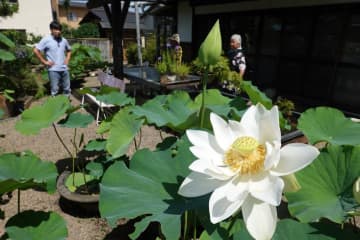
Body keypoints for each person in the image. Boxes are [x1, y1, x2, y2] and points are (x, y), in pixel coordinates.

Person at [33, 21, 72, 97]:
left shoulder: (64, 40)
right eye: (56, 29)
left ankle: (66, 104)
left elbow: (69, 50)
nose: (58, 31)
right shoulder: (46, 40)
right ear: (51, 30)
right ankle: (55, 106)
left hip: (64, 69)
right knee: (55, 90)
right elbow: (36, 50)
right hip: (53, 70)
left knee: (67, 89)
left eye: (59, 29)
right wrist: (44, 61)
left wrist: (67, 59)